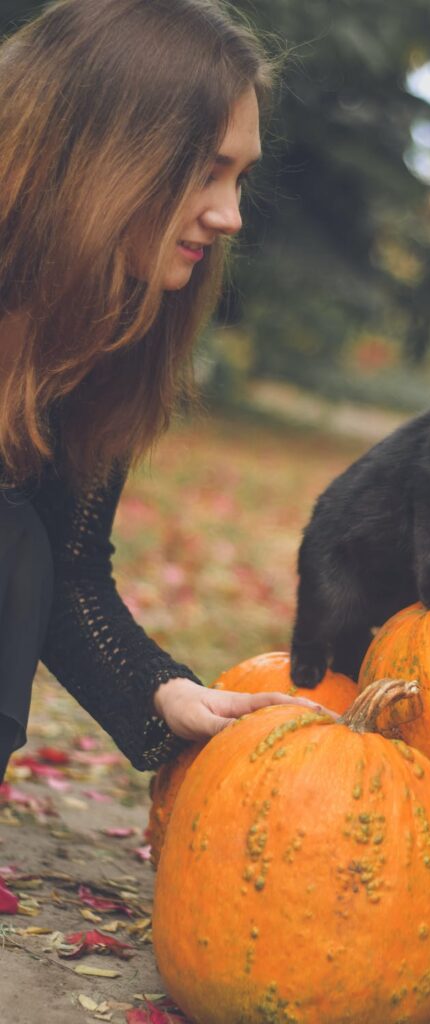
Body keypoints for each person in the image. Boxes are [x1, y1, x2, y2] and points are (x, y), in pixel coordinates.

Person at [0, 0, 326, 783]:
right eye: (206, 172)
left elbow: (68, 566)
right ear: (105, 151)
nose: (231, 216)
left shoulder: (98, 330)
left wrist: (166, 692)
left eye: (240, 178)